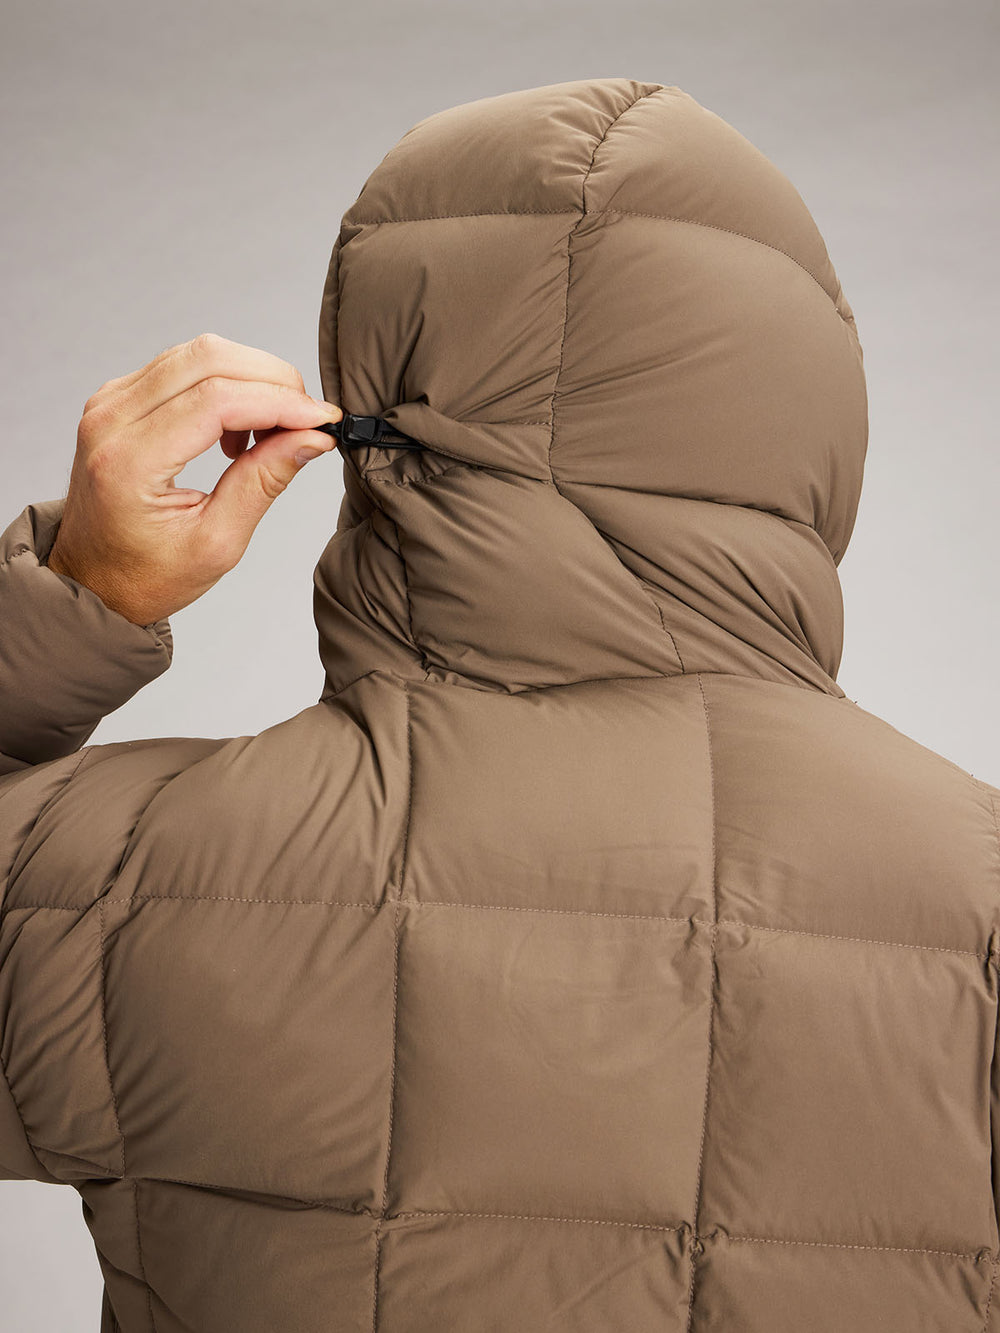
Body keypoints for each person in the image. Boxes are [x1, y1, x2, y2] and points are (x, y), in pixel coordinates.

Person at [1, 75, 998, 1333]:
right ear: (810, 428)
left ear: (372, 404)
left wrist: (78, 593)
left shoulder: (126, 882)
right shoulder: (981, 902)